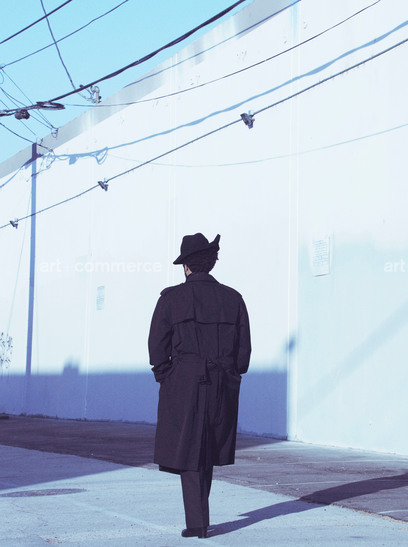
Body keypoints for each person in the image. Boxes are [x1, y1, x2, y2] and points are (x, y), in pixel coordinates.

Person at [148, 233, 251, 539]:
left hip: (183, 381)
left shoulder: (171, 299)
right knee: (206, 448)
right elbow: (243, 351)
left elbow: (157, 346)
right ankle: (198, 520)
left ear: (187, 266)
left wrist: (167, 376)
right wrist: (231, 374)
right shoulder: (233, 298)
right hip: (222, 381)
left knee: (190, 449)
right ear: (211, 263)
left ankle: (198, 523)